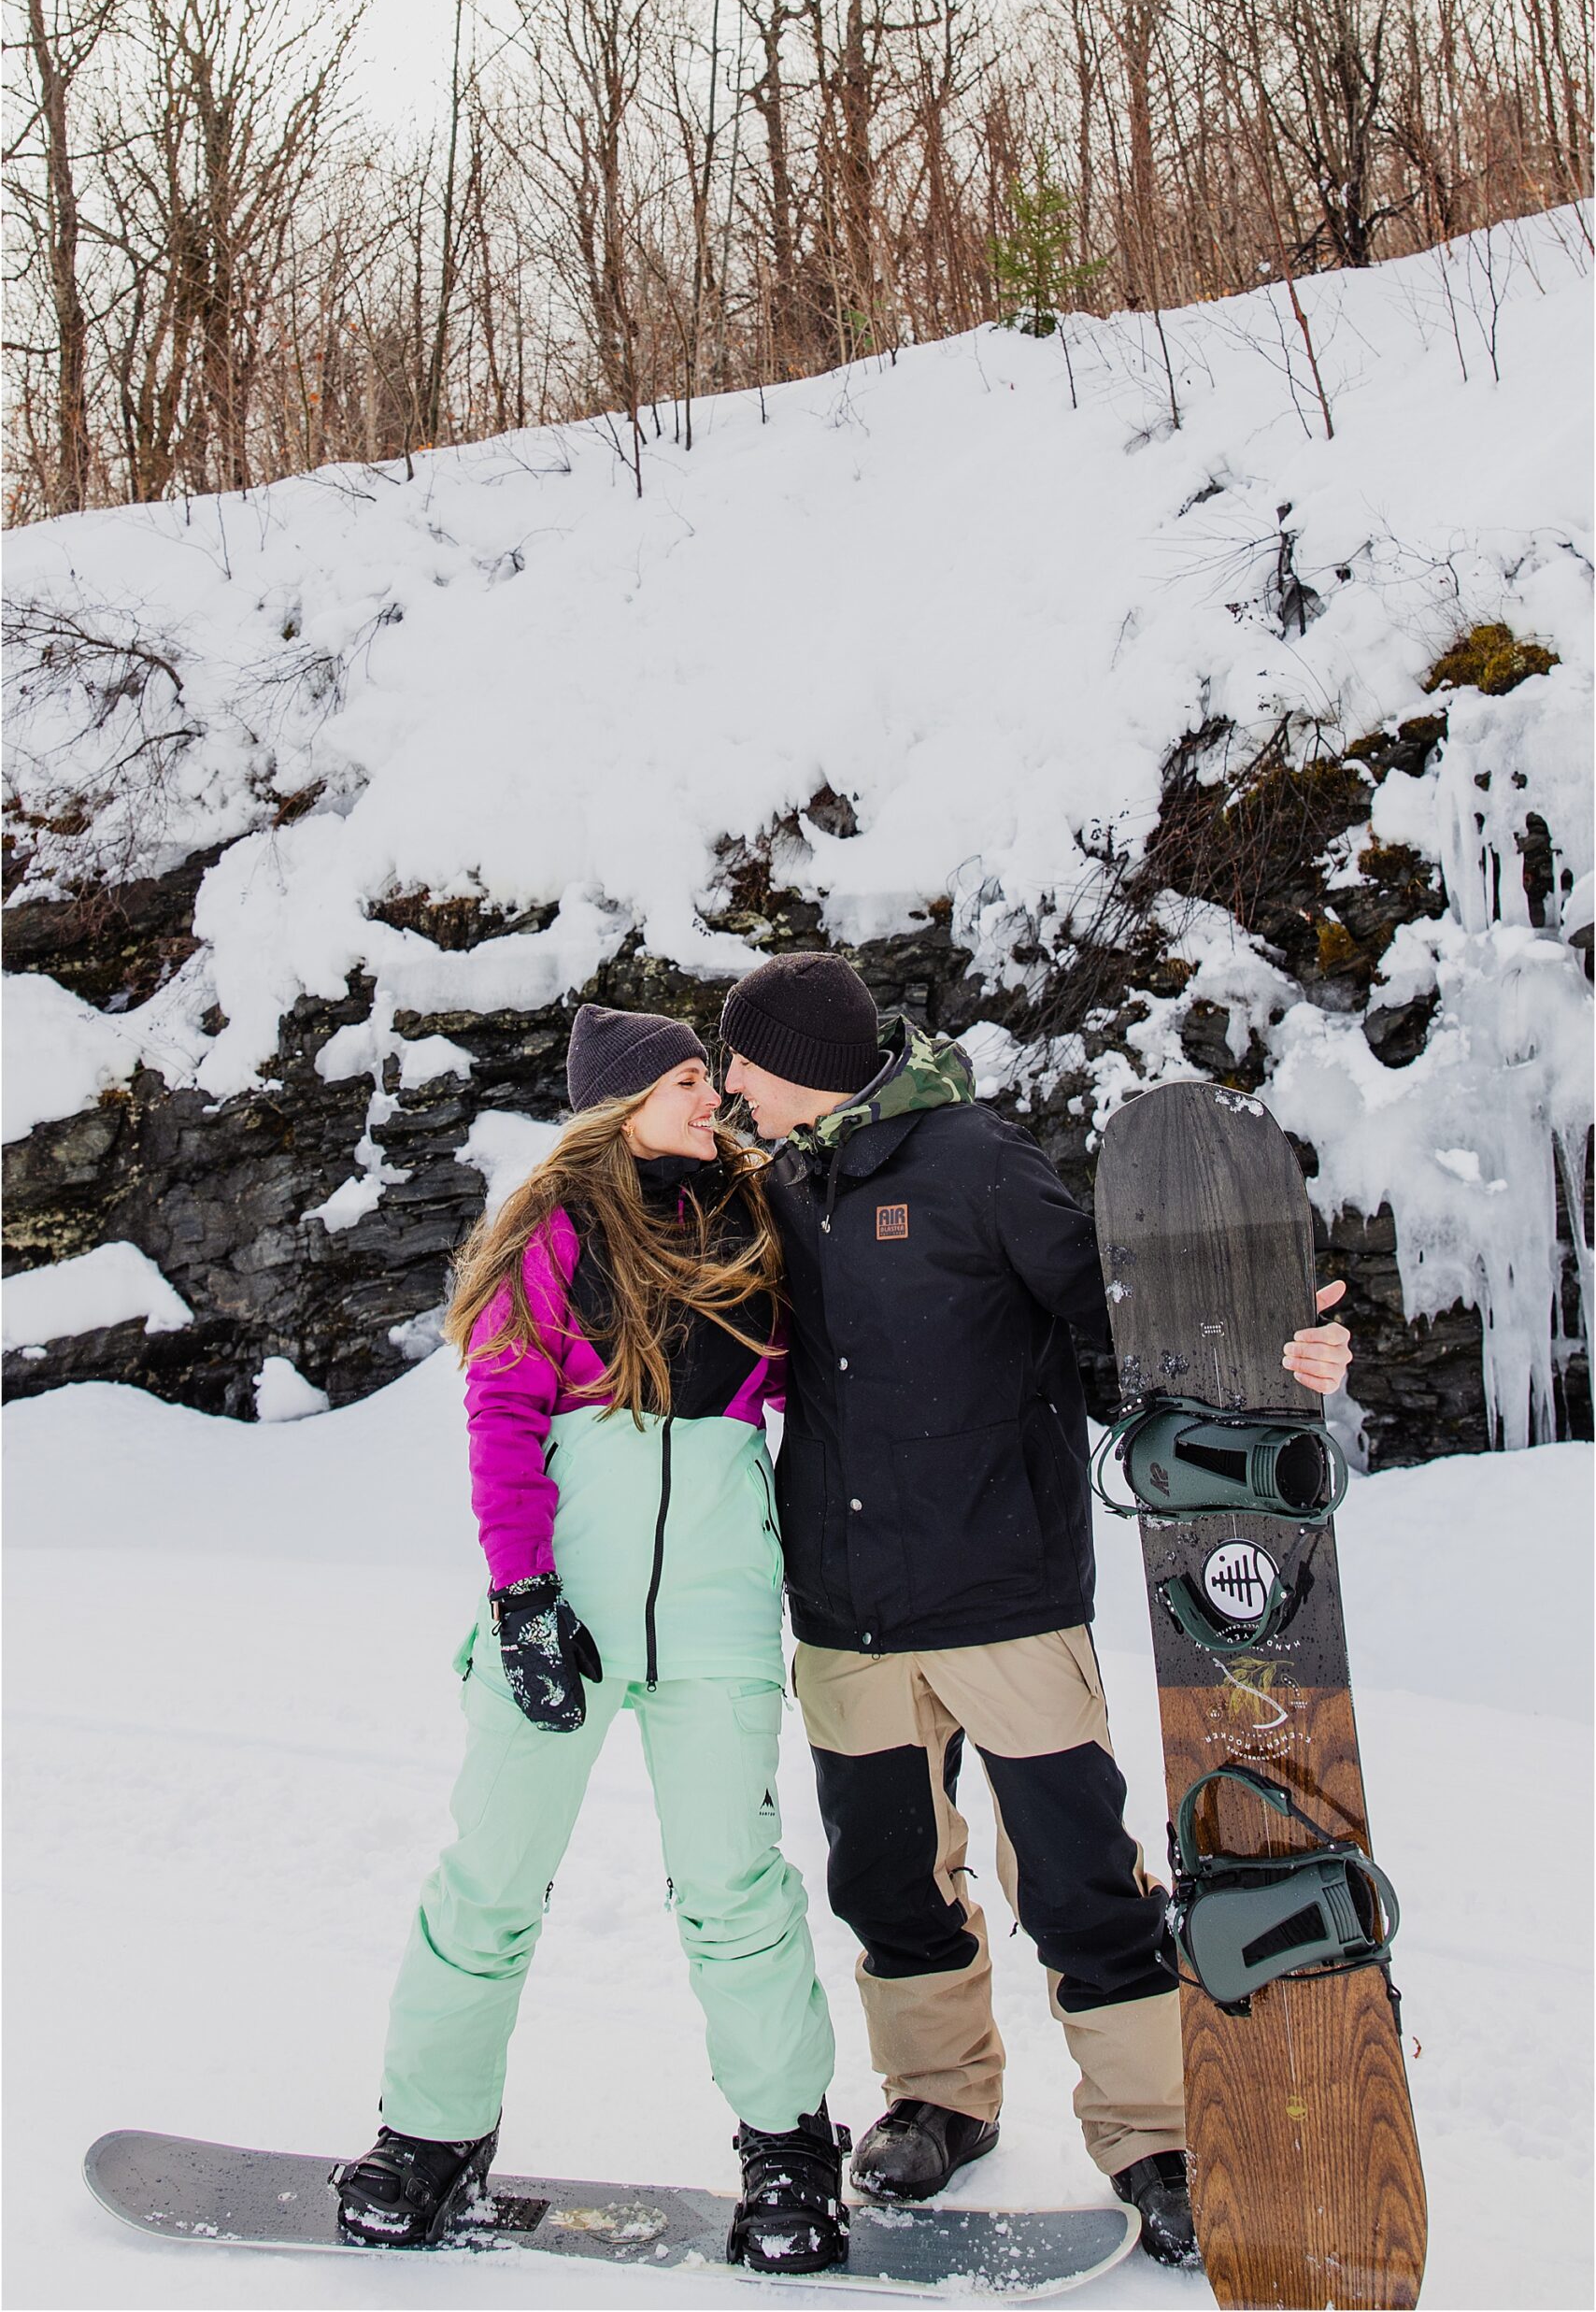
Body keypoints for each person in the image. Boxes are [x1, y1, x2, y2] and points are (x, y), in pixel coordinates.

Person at [720, 951, 1355, 2269]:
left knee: (1076, 1878)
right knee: (890, 1875)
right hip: (844, 1612)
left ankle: (1155, 2132)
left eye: (743, 1063)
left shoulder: (977, 1163)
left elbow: (1132, 1339)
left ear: (804, 1061)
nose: (729, 1087)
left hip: (1004, 1593)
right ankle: (937, 2100)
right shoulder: (782, 1184)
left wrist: (1280, 1348)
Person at [335, 1005, 846, 2273]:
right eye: (686, 1081)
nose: (710, 1099)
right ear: (618, 1103)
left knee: (739, 1890)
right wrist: (522, 1599)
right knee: (493, 1881)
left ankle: (788, 2147)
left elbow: (808, 1392)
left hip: (721, 1607)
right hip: (569, 1605)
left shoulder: (762, 1227)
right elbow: (504, 1417)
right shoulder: (556, 1235)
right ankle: (429, 2136)